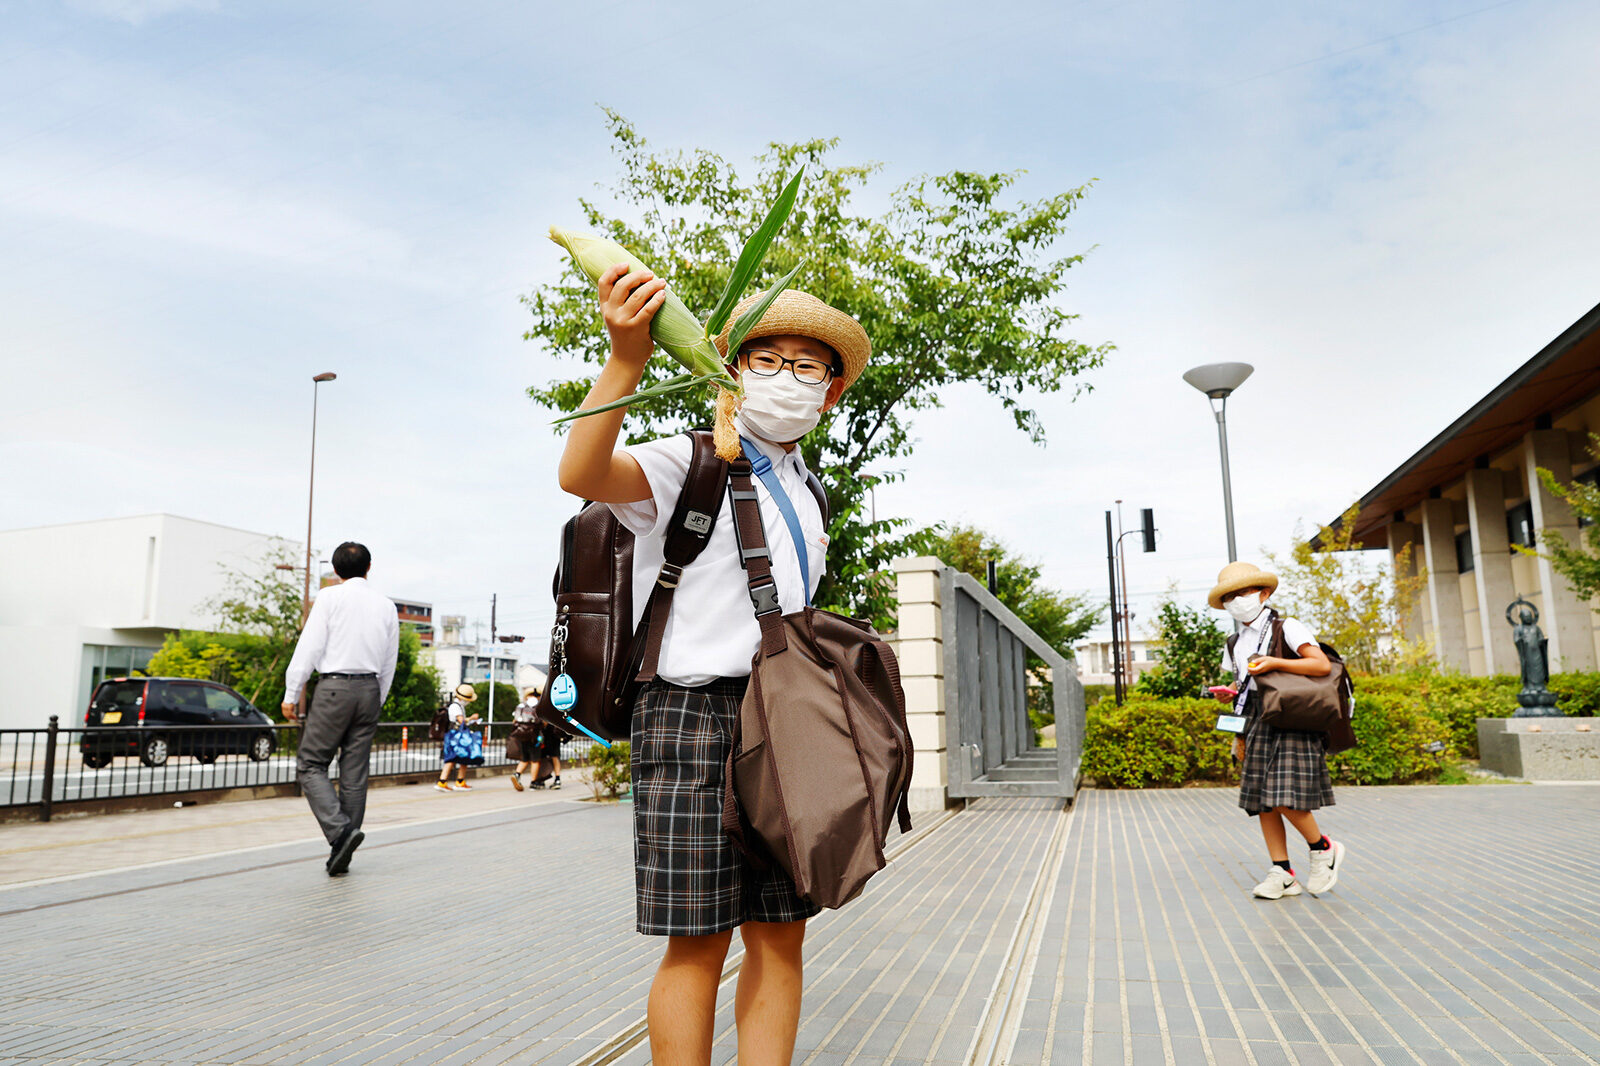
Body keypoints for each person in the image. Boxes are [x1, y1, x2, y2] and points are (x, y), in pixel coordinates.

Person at [557, 262, 869, 1066]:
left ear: (830, 392)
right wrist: (625, 357)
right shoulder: (687, 459)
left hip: (787, 719)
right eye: (768, 359)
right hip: (690, 715)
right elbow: (582, 475)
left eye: (809, 364)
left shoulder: (811, 491)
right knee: (696, 944)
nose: (787, 377)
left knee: (781, 935)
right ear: (735, 368)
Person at [1209, 561, 1348, 901]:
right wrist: (1230, 689)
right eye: (1229, 596)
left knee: (1282, 796)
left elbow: (1319, 665)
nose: (1236, 601)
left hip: (1291, 716)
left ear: (1264, 593)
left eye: (1243, 593)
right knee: (1263, 801)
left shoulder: (1288, 627)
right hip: (1255, 717)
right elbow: (1243, 680)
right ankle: (1282, 872)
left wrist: (1275, 662)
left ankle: (1322, 848)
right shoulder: (1235, 641)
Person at [282, 541, 400, 878]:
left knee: (310, 764)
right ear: (369, 567)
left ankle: (340, 832)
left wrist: (292, 692)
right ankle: (341, 851)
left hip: (334, 688)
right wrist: (378, 697)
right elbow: (389, 660)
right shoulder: (386, 605)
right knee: (354, 773)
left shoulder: (330, 597)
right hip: (369, 688)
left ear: (335, 570)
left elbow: (310, 645)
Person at [435, 683, 482, 792]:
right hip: (455, 735)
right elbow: (461, 721)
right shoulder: (455, 707)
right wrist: (471, 718)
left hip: (456, 734)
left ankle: (460, 781)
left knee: (463, 758)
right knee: (452, 758)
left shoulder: (458, 706)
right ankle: (442, 782)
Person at [508, 687, 541, 791]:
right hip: (534, 736)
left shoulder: (520, 706)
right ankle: (533, 783)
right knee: (535, 761)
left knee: (524, 758)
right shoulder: (538, 706)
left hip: (521, 735)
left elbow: (515, 721)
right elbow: (542, 722)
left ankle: (517, 774)